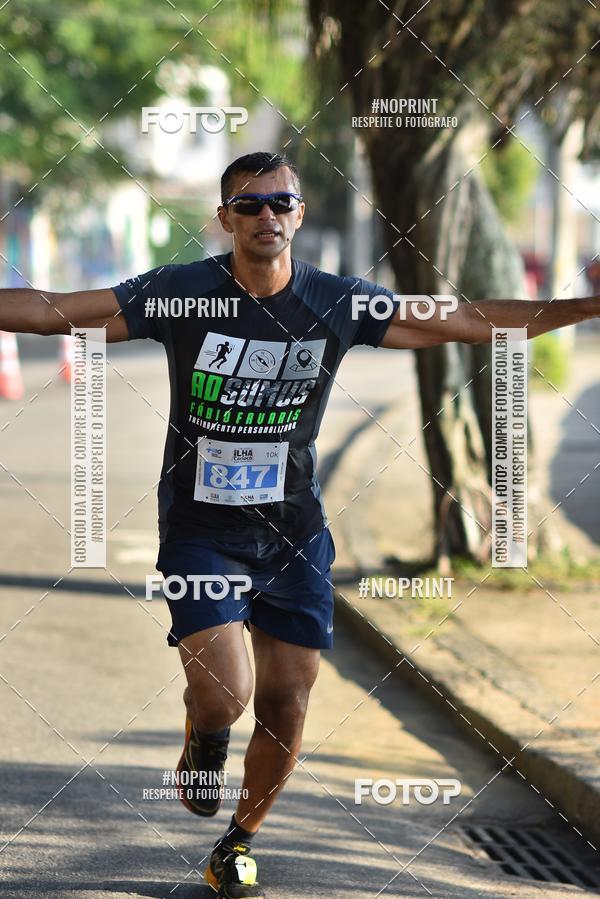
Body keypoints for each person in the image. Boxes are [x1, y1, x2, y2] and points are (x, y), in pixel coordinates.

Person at [1, 151, 598, 898]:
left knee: (287, 705)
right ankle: (205, 732)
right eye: (249, 205)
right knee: (226, 695)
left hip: (295, 535)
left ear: (300, 214)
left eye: (280, 202)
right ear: (224, 219)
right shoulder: (184, 294)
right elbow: (55, 309)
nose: (267, 216)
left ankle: (237, 843)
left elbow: (469, 320)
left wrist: (584, 308)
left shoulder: (337, 301)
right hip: (201, 531)